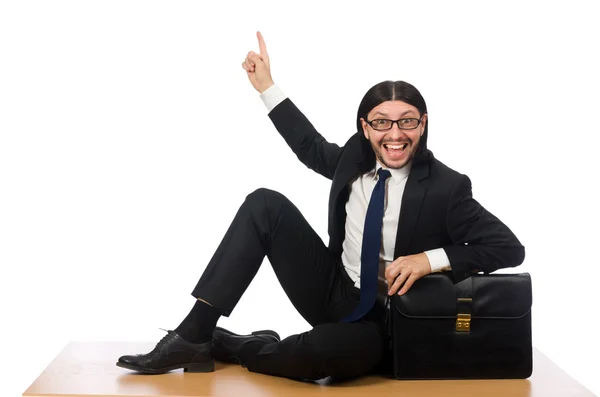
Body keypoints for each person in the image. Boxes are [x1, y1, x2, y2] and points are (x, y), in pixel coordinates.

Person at [116, 31, 525, 381]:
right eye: (381, 122)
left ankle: (243, 347)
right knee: (264, 204)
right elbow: (309, 147)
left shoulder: (446, 187)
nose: (394, 134)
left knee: (323, 354)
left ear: (423, 124)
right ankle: (194, 334)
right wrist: (266, 87)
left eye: (407, 121)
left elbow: (508, 247)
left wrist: (428, 260)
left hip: (386, 320)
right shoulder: (354, 159)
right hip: (334, 290)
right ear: (365, 128)